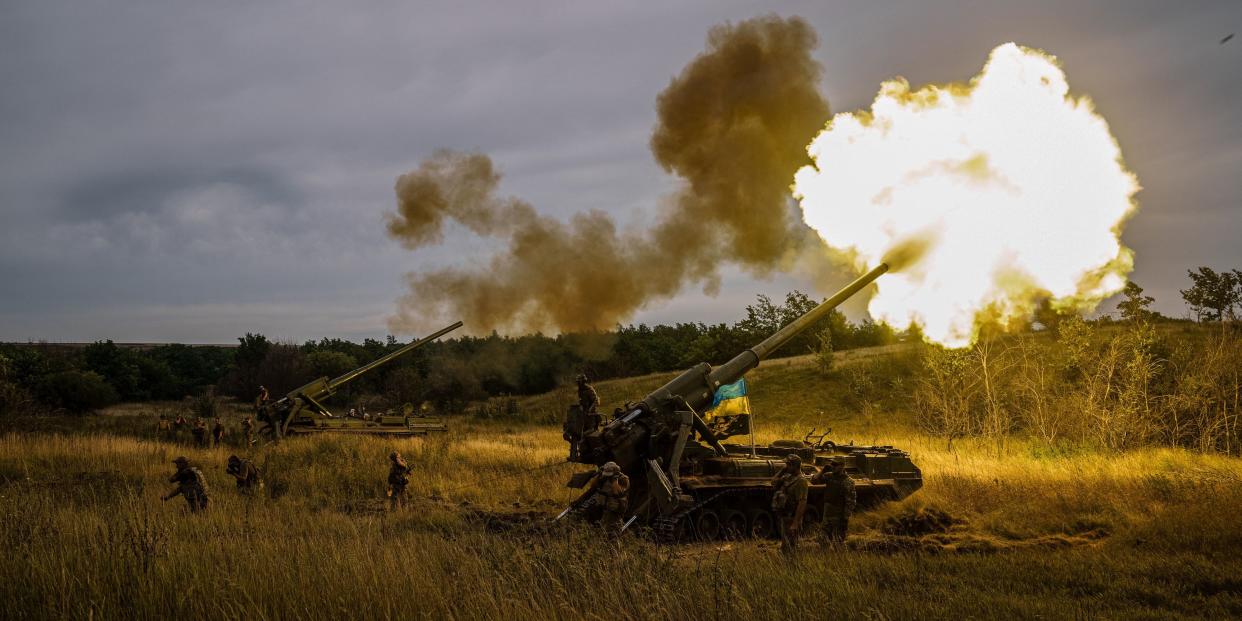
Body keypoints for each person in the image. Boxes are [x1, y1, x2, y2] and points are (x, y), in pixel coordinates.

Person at [771, 453, 809, 554]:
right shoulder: (787, 476)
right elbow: (773, 482)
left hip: (792, 518)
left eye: (788, 465)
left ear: (795, 466)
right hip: (785, 517)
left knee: (791, 547)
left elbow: (802, 502)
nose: (786, 466)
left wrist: (795, 523)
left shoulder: (801, 481)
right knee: (785, 546)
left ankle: (792, 566)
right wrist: (782, 471)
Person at [812, 459, 857, 543]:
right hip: (827, 513)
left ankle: (838, 555)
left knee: (838, 540)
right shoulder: (829, 476)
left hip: (839, 514)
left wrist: (845, 518)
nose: (833, 467)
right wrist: (822, 471)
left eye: (835, 465)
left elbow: (851, 502)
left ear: (842, 466)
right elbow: (814, 481)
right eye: (832, 465)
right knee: (823, 539)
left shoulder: (848, 481)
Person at [589, 461, 630, 534]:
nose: (608, 476)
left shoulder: (624, 479)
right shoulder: (604, 477)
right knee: (601, 528)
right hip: (605, 506)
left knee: (613, 530)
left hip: (616, 509)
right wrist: (598, 475)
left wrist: (615, 480)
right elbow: (593, 486)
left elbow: (616, 492)